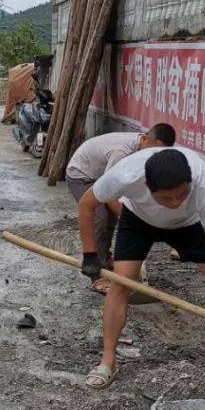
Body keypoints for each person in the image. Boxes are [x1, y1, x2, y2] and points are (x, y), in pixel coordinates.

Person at [76, 147, 205, 389]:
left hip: (188, 224)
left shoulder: (204, 185)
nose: (174, 202)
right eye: (166, 198)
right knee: (121, 283)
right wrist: (90, 255)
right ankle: (108, 360)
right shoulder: (125, 174)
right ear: (147, 186)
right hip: (138, 220)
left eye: (182, 194)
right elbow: (86, 205)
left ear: (190, 183)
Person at [65, 123, 176, 294]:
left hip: (101, 176)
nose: (154, 156)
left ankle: (106, 258)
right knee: (99, 218)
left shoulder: (146, 151)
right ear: (144, 139)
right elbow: (109, 192)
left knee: (112, 218)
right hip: (82, 175)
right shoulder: (122, 153)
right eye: (153, 151)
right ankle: (97, 274)